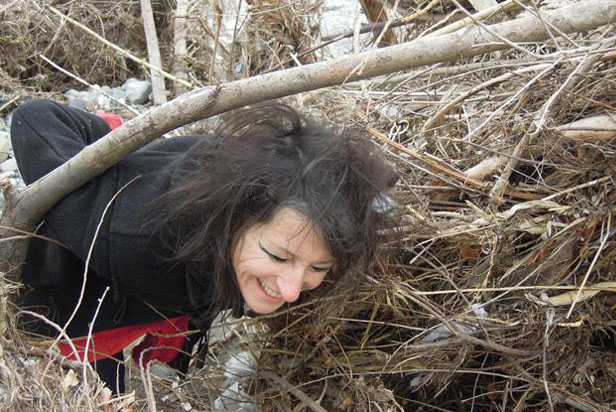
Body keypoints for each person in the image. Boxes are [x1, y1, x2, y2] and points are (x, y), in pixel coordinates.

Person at [10, 98, 397, 393]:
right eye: (279, 257)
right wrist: (113, 148)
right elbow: (35, 116)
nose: (292, 290)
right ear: (233, 222)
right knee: (98, 390)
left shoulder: (287, 217)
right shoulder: (127, 233)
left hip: (173, 276)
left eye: (318, 268)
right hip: (69, 299)